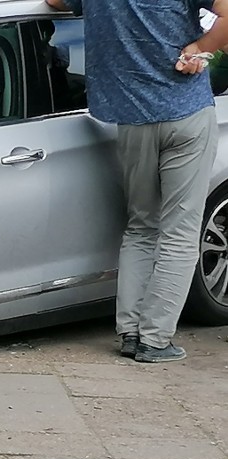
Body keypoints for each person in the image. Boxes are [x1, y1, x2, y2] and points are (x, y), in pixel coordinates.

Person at [46, 0, 228, 362]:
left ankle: (129, 333)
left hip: (131, 119)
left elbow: (54, 1)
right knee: (180, 231)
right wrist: (199, 48)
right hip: (186, 112)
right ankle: (155, 339)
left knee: (141, 225)